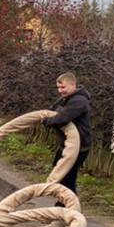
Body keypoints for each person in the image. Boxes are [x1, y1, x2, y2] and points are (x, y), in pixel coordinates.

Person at [42, 71, 92, 200]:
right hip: (65, 144)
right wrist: (46, 118)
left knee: (68, 177)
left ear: (73, 85)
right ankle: (65, 205)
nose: (60, 90)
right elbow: (52, 111)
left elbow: (63, 119)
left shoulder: (79, 101)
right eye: (58, 87)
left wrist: (47, 121)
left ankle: (68, 207)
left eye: (63, 87)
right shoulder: (66, 99)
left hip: (78, 147)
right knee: (59, 171)